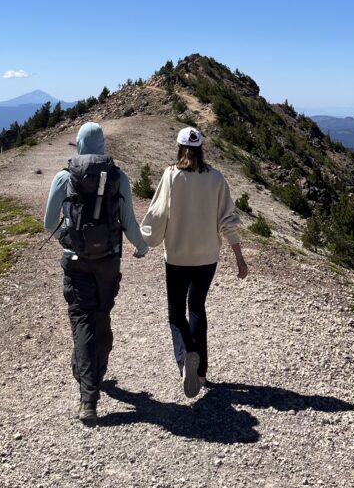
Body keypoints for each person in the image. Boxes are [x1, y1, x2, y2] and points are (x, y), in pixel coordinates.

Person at [44, 121, 148, 425]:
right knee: (101, 315)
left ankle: (88, 397)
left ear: (77, 144)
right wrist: (141, 247)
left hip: (75, 260)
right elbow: (128, 220)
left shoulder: (64, 177)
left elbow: (49, 223)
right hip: (109, 261)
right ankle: (96, 370)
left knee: (82, 320)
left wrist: (69, 235)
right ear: (102, 145)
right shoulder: (118, 177)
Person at [141, 126, 248, 398]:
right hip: (207, 257)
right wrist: (239, 257)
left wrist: (145, 243)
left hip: (177, 256)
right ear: (202, 149)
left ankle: (187, 356)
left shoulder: (171, 176)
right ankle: (200, 372)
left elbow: (157, 213)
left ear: (179, 148)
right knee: (197, 307)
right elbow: (228, 221)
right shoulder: (216, 179)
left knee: (176, 313)